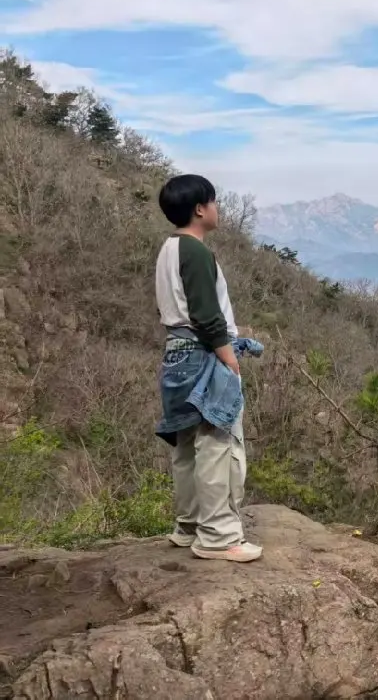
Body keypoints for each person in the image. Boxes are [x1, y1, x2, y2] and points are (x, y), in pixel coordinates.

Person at [154, 174, 263, 562]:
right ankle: (218, 535)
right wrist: (228, 357)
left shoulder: (168, 249)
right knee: (218, 443)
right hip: (204, 354)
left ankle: (189, 526)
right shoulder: (196, 252)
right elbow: (205, 313)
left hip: (177, 354)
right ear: (200, 209)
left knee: (187, 445)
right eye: (214, 202)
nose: (218, 209)